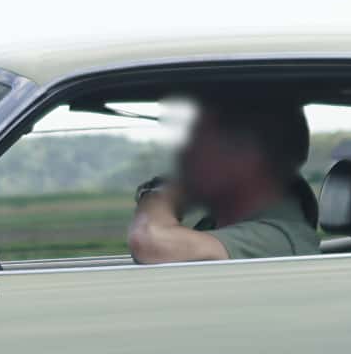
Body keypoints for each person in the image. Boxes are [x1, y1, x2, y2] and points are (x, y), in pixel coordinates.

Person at [128, 96, 320, 263]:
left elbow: (150, 242)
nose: (187, 157)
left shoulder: (277, 239)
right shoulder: (224, 223)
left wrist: (161, 194)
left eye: (200, 144)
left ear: (247, 158)